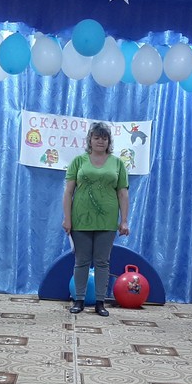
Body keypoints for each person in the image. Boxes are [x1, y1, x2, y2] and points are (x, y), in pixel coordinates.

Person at [62, 121, 130, 317]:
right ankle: (79, 300)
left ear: (109, 141)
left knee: (102, 262)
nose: (101, 141)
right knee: (81, 261)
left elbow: (123, 193)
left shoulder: (117, 163)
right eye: (97, 137)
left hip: (107, 220)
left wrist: (124, 220)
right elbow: (68, 192)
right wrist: (67, 219)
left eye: (104, 138)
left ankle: (100, 302)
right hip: (80, 219)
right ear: (90, 140)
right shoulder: (78, 161)